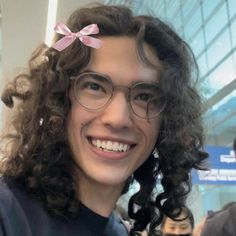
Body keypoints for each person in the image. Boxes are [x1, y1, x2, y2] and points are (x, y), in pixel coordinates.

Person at [0, 4, 208, 236]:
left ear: (167, 122)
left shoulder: (119, 230)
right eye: (95, 86)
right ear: (58, 100)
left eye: (145, 96)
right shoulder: (7, 214)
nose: (118, 119)